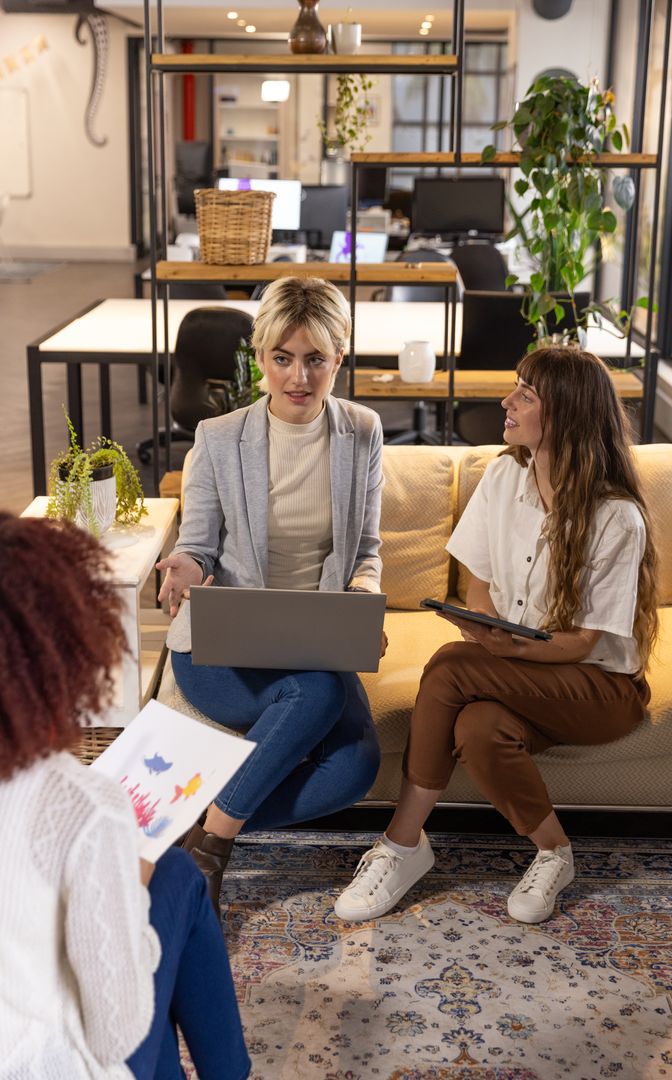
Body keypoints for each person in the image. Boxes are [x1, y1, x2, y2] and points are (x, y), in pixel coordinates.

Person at [334, 345, 658, 926]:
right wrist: (488, 627)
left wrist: (506, 647)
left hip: (600, 690)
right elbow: (476, 577)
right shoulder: (506, 473)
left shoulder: (616, 517)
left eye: (526, 395)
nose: (507, 402)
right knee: (478, 729)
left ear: (567, 414)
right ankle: (556, 853)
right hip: (521, 673)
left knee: (451, 666)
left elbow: (583, 643)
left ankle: (402, 843)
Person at [157, 276, 385, 913]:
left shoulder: (363, 433)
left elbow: (365, 551)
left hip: (314, 641)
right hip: (223, 646)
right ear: (260, 358)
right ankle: (216, 851)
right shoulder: (219, 437)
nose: (299, 376)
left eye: (316, 358)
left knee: (357, 766)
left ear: (340, 356)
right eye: (282, 357)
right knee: (319, 690)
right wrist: (184, 564)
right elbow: (199, 547)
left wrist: (364, 598)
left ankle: (198, 829)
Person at [0, 513, 250, 1079]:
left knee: (175, 880)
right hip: (43, 1063)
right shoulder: (78, 803)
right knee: (176, 881)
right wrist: (128, 885)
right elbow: (117, 1030)